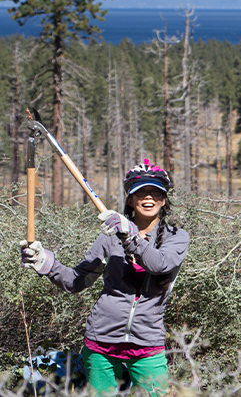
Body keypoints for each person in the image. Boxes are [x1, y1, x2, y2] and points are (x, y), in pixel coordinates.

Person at [20, 160, 189, 395]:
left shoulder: (177, 237)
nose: (148, 197)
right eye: (140, 191)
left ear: (163, 199)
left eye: (155, 191)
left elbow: (159, 264)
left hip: (148, 345)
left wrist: (130, 237)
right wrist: (46, 263)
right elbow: (76, 281)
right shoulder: (110, 237)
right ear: (130, 199)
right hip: (101, 343)